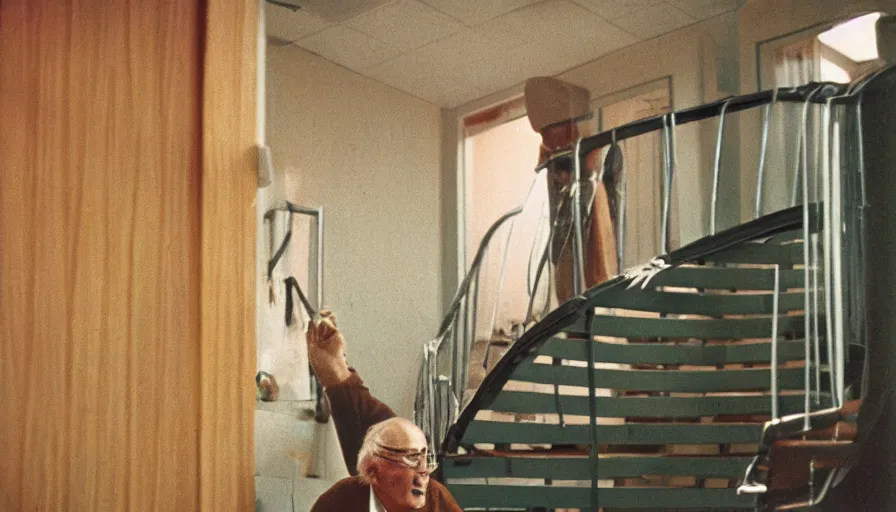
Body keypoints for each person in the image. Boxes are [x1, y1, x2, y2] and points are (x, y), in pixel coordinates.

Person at [306, 313, 462, 511]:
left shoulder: (435, 501)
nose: (424, 471)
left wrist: (336, 374)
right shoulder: (338, 502)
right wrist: (335, 373)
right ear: (371, 471)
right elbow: (378, 433)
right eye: (411, 458)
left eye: (425, 459)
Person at [524, 76, 618, 303]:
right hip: (563, 221)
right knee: (566, 274)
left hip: (590, 209)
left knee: (594, 266)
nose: (549, 137)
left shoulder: (590, 142)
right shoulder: (549, 148)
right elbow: (543, 165)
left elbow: (594, 170)